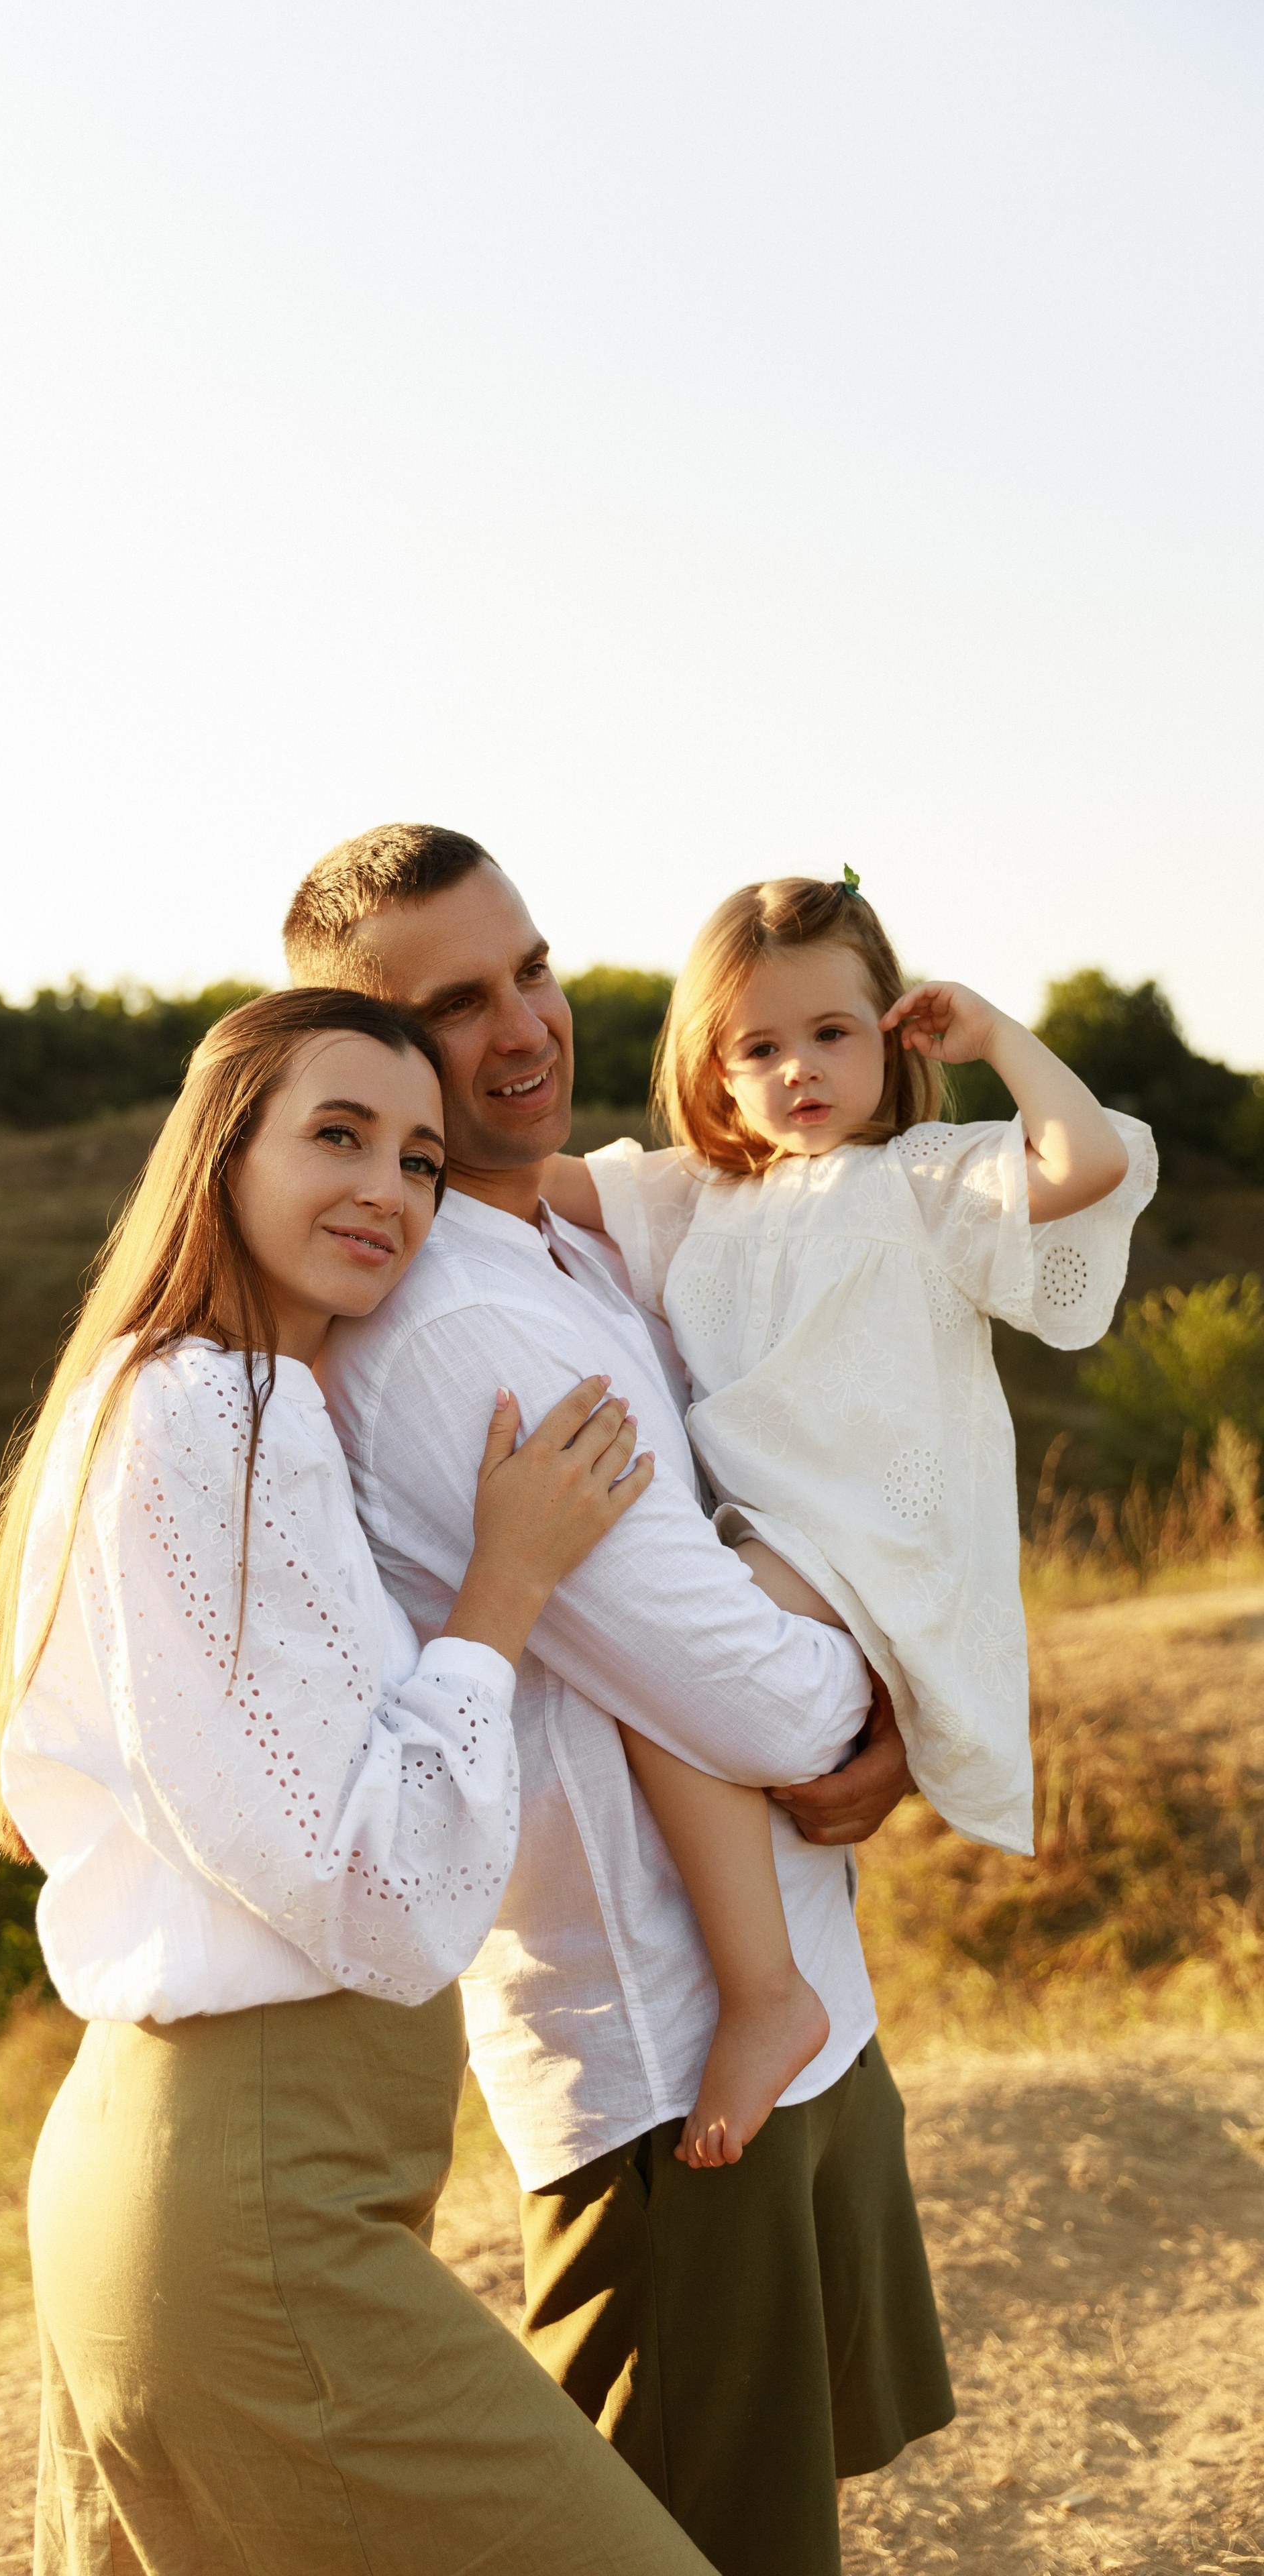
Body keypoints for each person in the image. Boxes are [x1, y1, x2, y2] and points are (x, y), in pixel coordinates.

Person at [0, 986, 719, 2576]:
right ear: (221, 1150)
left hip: (185, 2183)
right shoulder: (211, 1415)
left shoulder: (172, 1404)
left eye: (423, 1159)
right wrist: (502, 1591)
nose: (387, 1188)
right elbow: (377, 1895)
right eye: (336, 1135)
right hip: (248, 2209)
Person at [288, 828, 954, 2576]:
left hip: (789, 2001)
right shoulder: (455, 1326)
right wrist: (882, 1715)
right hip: (668, 2081)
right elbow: (739, 1693)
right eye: (453, 1003)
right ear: (357, 1057)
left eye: (532, 967)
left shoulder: (567, 1236)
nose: (524, 1025)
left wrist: (876, 1728)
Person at [538, 871, 1157, 2167]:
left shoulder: (923, 1180)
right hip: (769, 1531)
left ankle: (767, 1997)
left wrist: (996, 1037)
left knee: (677, 1659)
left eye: (833, 1033)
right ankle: (771, 1981)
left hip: (875, 1536)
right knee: (680, 1658)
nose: (801, 1070)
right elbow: (533, 1184)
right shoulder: (692, 1197)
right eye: (759, 1047)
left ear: (892, 1033)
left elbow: (1087, 1160)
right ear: (714, 1067)